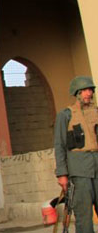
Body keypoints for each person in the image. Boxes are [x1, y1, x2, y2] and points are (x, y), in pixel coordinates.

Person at [54, 76, 98, 233]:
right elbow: (59, 146)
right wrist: (62, 174)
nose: (89, 93)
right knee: (84, 217)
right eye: (84, 90)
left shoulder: (96, 112)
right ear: (77, 93)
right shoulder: (65, 115)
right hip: (79, 171)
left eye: (90, 90)